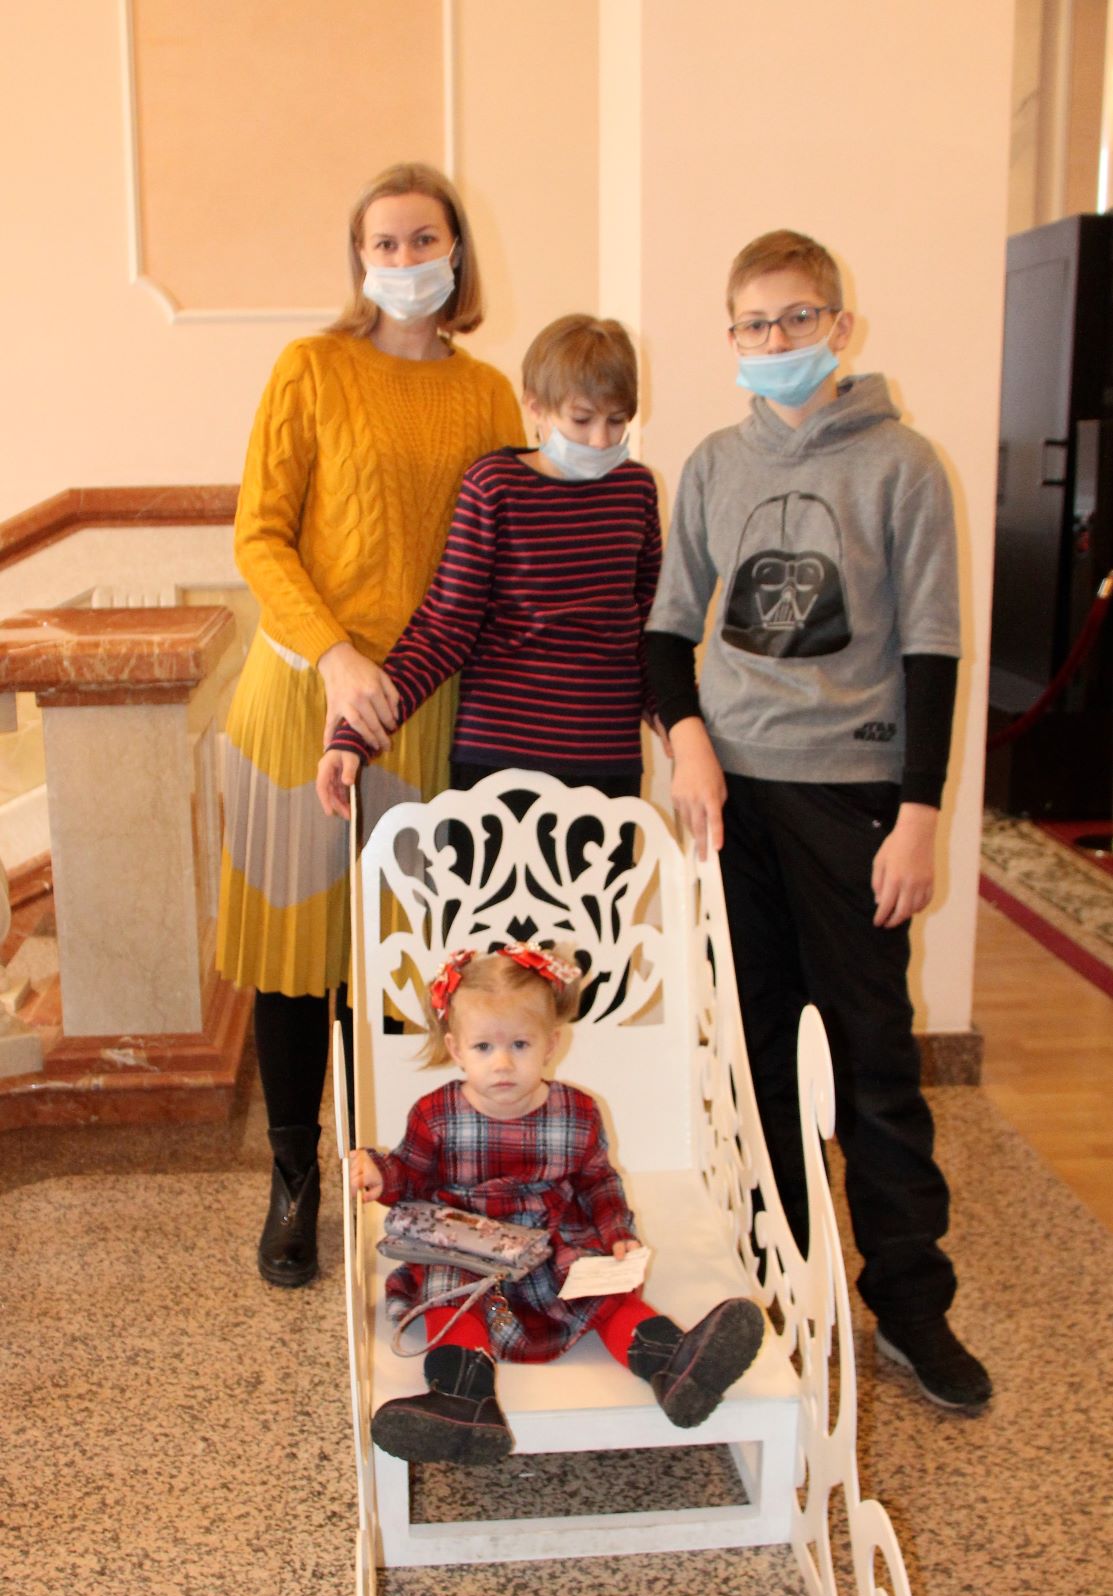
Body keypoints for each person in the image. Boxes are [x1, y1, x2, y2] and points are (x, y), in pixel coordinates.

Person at [644, 229, 992, 1412]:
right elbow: (666, 632)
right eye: (755, 323)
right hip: (731, 802)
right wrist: (687, 739)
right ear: (731, 337)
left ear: (840, 326)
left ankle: (912, 1303)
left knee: (871, 1056)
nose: (776, 339)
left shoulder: (904, 465)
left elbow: (935, 648)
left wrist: (920, 813)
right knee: (755, 1052)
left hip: (855, 798)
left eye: (797, 318)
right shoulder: (711, 464)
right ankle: (786, 1281)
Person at [216, 162, 523, 1290]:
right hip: (302, 702)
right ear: (359, 260)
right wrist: (337, 655)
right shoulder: (311, 367)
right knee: (296, 959)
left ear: (457, 252)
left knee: (396, 966)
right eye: (382, 243)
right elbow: (259, 535)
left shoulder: (489, 395)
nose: (403, 260)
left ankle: (386, 1177)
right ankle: (294, 1181)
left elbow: (505, 555)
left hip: (425, 714)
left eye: (422, 239)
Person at [350, 946, 765, 1464]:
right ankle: (463, 1399)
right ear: (456, 1048)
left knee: (600, 1290)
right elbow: (409, 1174)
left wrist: (616, 1231)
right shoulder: (435, 1114)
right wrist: (379, 1173)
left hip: (552, 1243)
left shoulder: (576, 1111)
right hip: (467, 1246)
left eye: (520, 1044)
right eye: (483, 1047)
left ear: (551, 1043)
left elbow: (597, 1180)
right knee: (449, 1293)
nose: (502, 1063)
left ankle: (672, 1363)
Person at [315, 313, 663, 815]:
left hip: (605, 759)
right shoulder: (495, 485)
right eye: (582, 420)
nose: (601, 441)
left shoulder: (636, 490)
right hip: (498, 759)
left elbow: (652, 626)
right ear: (536, 407)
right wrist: (354, 737)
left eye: (617, 421)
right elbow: (444, 628)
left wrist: (677, 720)